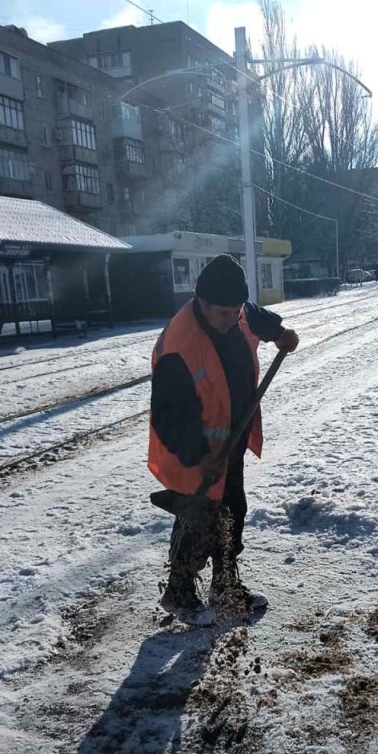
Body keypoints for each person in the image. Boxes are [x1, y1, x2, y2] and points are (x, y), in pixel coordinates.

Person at [148, 254, 300, 624]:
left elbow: (252, 314)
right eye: (223, 314)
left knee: (233, 512)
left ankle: (225, 586)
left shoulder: (233, 309)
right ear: (201, 302)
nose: (232, 320)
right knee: (200, 522)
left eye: (235, 313)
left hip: (228, 442)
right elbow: (170, 419)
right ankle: (179, 594)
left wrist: (279, 332)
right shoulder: (179, 347)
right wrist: (201, 457)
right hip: (190, 452)